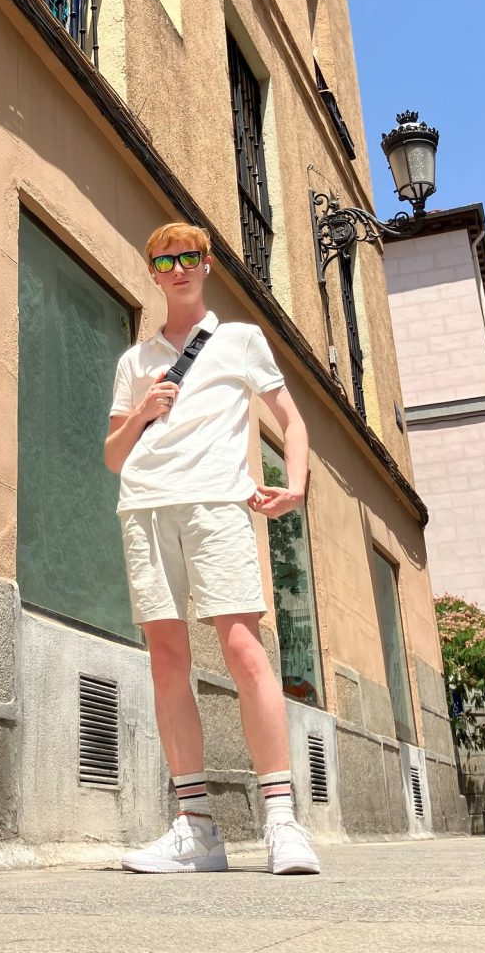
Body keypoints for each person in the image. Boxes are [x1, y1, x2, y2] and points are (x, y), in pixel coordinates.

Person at [105, 222, 320, 876]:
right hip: (144, 505)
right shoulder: (135, 360)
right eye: (164, 259)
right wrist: (142, 411)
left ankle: (282, 822)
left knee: (242, 646)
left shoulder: (239, 340)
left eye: (189, 257)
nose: (178, 268)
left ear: (207, 265)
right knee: (167, 659)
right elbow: (114, 458)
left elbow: (293, 420)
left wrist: (296, 486)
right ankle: (195, 827)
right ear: (153, 271)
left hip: (217, 503)